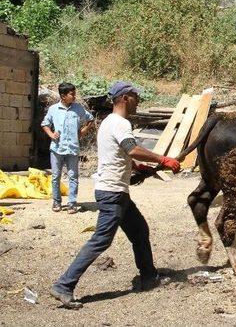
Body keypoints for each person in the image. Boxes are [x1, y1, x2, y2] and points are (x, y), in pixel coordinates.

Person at [50, 82, 181, 309]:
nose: (138, 101)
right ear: (125, 98)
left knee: (140, 231)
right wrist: (161, 159)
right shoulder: (120, 123)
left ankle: (148, 277)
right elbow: (131, 149)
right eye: (135, 97)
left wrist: (138, 168)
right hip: (112, 193)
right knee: (101, 240)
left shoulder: (109, 123)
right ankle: (64, 285)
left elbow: (120, 154)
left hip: (116, 191)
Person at [41, 83, 95, 214]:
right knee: (55, 176)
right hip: (57, 148)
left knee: (73, 176)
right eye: (72, 94)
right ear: (63, 96)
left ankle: (72, 203)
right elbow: (45, 124)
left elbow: (90, 119)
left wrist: (82, 132)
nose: (74, 96)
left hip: (72, 148)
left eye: (74, 93)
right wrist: (51, 134)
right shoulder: (54, 109)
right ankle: (57, 201)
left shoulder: (78, 109)